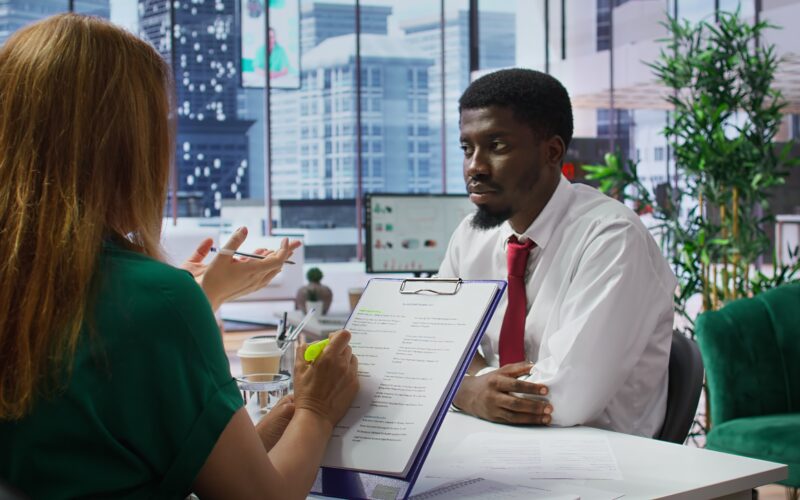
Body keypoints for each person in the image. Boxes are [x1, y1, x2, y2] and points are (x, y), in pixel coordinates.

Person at [0, 14, 358, 499]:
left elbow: (162, 459)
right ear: (126, 148)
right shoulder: (154, 300)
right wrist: (318, 410)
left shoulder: (36, 284)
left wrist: (292, 412)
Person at [441, 68, 677, 438]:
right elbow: (438, 345)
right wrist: (468, 390)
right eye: (467, 148)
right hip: (498, 439)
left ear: (552, 152)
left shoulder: (612, 237)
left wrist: (462, 387)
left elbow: (558, 399)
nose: (475, 167)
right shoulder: (471, 235)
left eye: (497, 146)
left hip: (601, 460)